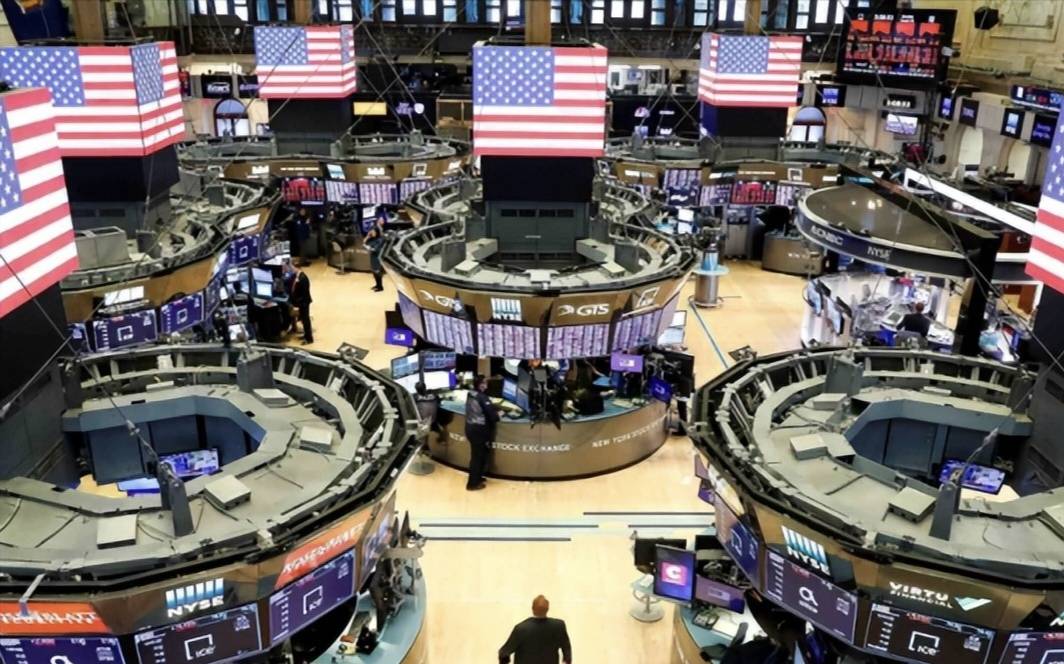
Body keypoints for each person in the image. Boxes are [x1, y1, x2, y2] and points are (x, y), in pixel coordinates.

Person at [498, 595, 572, 664]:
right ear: (547, 609)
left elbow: (505, 653)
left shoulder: (521, 629)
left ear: (532, 608)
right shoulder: (558, 626)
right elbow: (566, 648)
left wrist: (504, 659)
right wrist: (567, 659)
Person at [464, 373, 498, 491]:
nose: (487, 385)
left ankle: (477, 478)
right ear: (481, 385)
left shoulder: (470, 393)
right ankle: (472, 484)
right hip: (478, 431)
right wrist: (497, 412)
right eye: (485, 383)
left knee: (479, 455)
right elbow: (494, 417)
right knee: (477, 458)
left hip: (470, 428)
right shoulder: (482, 398)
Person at [289, 266, 313, 344]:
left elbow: (304, 293)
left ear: (297, 268)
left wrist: (298, 302)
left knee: (306, 320)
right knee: (303, 319)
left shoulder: (303, 278)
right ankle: (306, 335)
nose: (292, 269)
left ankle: (309, 339)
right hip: (301, 303)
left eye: (293, 268)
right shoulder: (298, 276)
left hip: (304, 303)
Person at [365, 218, 386, 292]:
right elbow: (364, 243)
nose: (372, 233)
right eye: (371, 231)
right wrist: (368, 236)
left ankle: (380, 287)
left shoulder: (380, 240)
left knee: (377, 272)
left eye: (373, 232)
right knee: (374, 272)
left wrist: (369, 248)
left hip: (377, 258)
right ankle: (377, 285)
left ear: (377, 232)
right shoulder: (372, 239)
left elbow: (375, 249)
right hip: (373, 257)